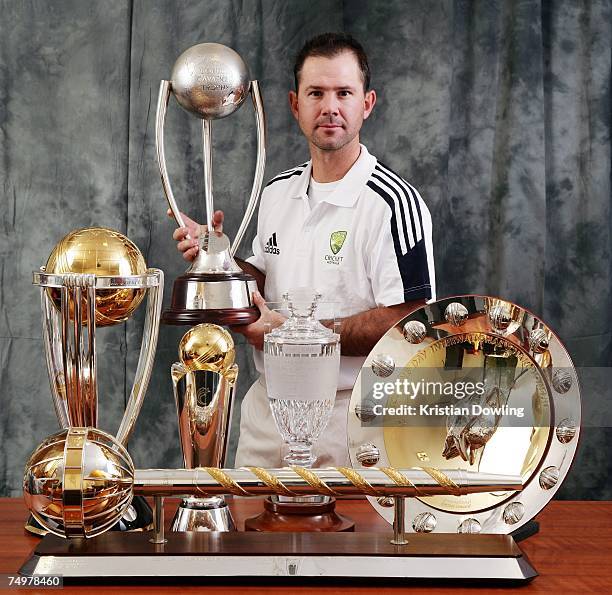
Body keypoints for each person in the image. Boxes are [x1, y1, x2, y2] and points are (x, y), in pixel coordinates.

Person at [172, 32, 436, 467]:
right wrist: (217, 257)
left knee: (346, 537)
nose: (330, 107)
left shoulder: (392, 204)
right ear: (296, 104)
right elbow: (261, 279)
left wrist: (296, 337)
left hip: (351, 414)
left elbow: (409, 322)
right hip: (268, 409)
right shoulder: (277, 191)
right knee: (248, 531)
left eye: (343, 93)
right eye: (316, 92)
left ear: (366, 104)